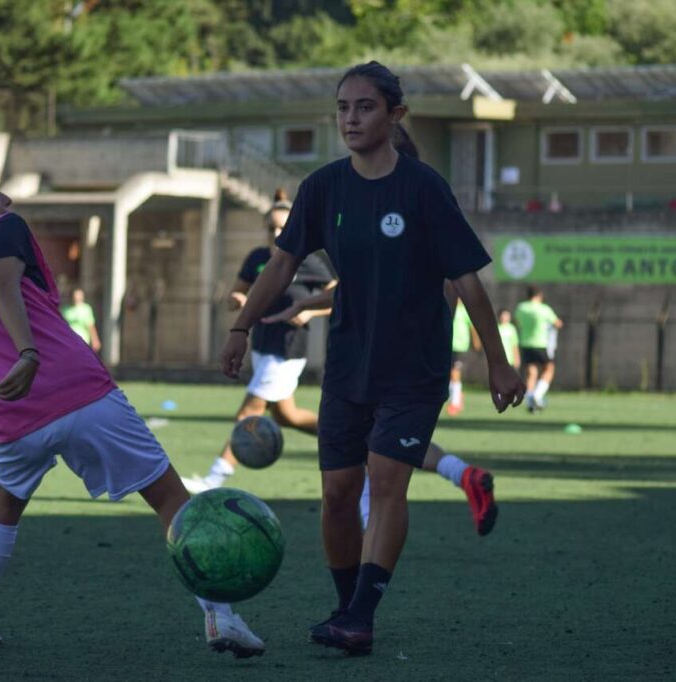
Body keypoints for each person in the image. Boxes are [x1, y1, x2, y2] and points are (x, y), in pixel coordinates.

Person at [0, 161, 265, 658]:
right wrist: (29, 353)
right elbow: (3, 287)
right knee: (169, 498)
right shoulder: (1, 229)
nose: (4, 200)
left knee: (5, 504)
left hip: (6, 416)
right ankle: (221, 616)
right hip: (74, 391)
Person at [219, 61, 525, 656]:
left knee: (386, 484)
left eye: (364, 107)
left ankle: (361, 612)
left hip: (415, 370)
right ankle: (346, 609)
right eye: (342, 108)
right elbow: (281, 265)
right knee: (337, 492)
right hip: (348, 366)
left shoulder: (423, 187)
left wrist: (499, 360)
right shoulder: (322, 188)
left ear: (395, 116)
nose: (351, 119)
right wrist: (241, 325)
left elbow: (467, 280)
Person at [264, 286, 499, 537]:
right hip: (420, 354)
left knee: (375, 444)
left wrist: (306, 305)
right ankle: (462, 474)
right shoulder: (438, 256)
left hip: (384, 352)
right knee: (387, 440)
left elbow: (358, 287)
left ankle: (371, 529)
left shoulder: (399, 251)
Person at [183, 190, 336, 493]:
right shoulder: (257, 257)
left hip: (288, 348)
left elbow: (339, 292)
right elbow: (236, 293)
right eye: (271, 228)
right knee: (286, 415)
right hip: (262, 346)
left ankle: (213, 480)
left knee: (249, 412)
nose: (276, 233)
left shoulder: (307, 261)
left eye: (282, 227)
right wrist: (237, 299)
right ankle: (350, 438)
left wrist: (310, 311)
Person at [514, 285, 563, 412]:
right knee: (549, 369)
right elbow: (557, 323)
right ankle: (537, 395)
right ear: (539, 296)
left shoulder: (521, 307)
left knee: (532, 372)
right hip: (540, 343)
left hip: (525, 343)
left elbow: (517, 322)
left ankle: (530, 402)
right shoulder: (544, 309)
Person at [446, 283, 480, 416]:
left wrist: (476, 342)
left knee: (455, 372)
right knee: (449, 373)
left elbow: (472, 328)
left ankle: (455, 403)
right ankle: (457, 395)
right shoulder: (447, 307)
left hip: (460, 345)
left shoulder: (464, 310)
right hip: (448, 344)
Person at [61, 287, 101, 352]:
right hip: (68, 340)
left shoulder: (86, 309)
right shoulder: (65, 310)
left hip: (82, 340)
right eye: (75, 296)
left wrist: (95, 340)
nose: (77, 298)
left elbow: (90, 325)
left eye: (79, 296)